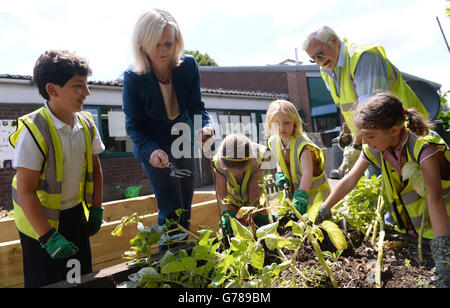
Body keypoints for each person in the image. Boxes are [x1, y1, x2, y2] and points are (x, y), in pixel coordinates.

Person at [316, 92, 449, 287]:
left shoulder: (423, 146)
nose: (365, 142)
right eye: (363, 136)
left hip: (444, 229)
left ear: (394, 130)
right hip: (416, 233)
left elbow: (435, 197)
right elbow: (350, 179)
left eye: (370, 136)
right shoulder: (377, 146)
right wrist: (324, 210)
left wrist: (445, 256)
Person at [10, 50, 105, 288]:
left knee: (81, 278)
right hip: (39, 224)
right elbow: (26, 191)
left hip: (74, 215)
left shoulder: (86, 124)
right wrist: (48, 236)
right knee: (47, 281)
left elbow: (96, 169)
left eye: (86, 85)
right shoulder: (34, 131)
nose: (87, 92)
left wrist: (96, 208)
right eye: (78, 86)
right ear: (52, 90)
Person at [122, 9, 214, 248]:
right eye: (156, 45)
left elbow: (196, 107)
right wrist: (151, 151)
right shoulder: (133, 78)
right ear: (143, 45)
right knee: (171, 209)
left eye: (168, 44)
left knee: (185, 204)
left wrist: (205, 127)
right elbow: (134, 127)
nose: (163, 51)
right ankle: (168, 263)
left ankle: (184, 259)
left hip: (182, 139)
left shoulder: (188, 66)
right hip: (153, 146)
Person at [301, 25, 429, 175]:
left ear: (334, 40)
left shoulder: (363, 57)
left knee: (418, 185)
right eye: (313, 59)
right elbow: (348, 106)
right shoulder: (327, 69)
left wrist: (355, 149)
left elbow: (370, 112)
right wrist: (350, 131)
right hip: (376, 139)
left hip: (406, 133)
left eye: (320, 54)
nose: (318, 62)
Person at [266, 99, 331, 215]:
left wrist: (301, 194)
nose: (281, 128)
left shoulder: (303, 145)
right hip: (294, 197)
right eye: (276, 123)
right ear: (270, 125)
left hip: (314, 196)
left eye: (286, 122)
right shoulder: (273, 141)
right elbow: (279, 160)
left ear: (295, 122)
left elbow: (307, 172)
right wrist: (279, 173)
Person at [212, 133, 272, 234]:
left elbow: (254, 188)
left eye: (241, 171)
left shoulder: (262, 156)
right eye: (231, 172)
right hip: (233, 204)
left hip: (256, 201)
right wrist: (227, 212)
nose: (236, 175)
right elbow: (222, 194)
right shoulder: (218, 162)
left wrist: (252, 213)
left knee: (260, 226)